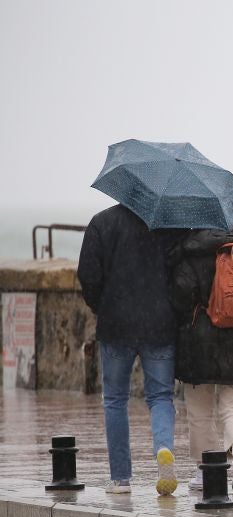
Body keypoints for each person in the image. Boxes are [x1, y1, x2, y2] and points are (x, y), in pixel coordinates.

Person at [77, 204, 182, 495]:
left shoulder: (102, 222)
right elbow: (180, 275)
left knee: (115, 399)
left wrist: (103, 306)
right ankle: (163, 448)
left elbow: (88, 274)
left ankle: (121, 479)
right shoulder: (168, 225)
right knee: (161, 396)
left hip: (116, 324)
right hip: (160, 323)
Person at [168, 221, 233, 493]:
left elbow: (180, 299)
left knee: (200, 410)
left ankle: (207, 471)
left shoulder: (192, 255)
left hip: (199, 344)